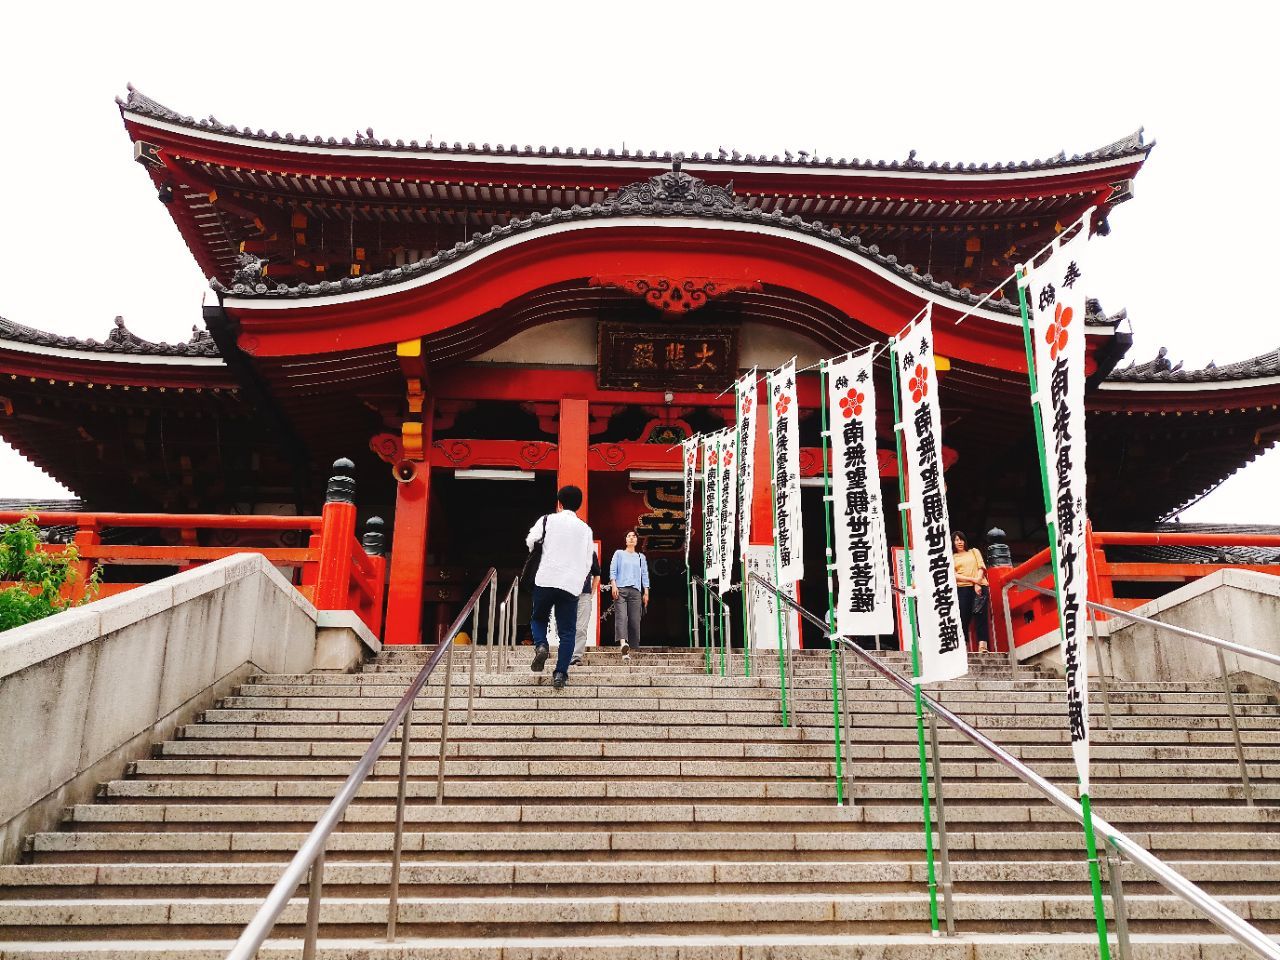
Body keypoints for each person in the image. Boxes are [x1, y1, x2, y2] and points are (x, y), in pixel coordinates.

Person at [524, 485, 594, 689]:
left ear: (560, 502)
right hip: (570, 585)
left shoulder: (547, 520)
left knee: (538, 618)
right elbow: (588, 562)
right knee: (567, 631)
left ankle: (541, 645)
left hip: (546, 578)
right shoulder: (585, 529)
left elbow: (531, 542)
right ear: (579, 505)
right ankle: (560, 674)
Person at [609, 530, 649, 659]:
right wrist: (613, 585)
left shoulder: (640, 557)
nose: (631, 538)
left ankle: (633, 647)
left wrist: (646, 591)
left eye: (634, 536)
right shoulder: (619, 554)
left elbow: (644, 574)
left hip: (636, 591)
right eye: (629, 536)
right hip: (621, 589)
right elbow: (613, 570)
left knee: (634, 619)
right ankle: (623, 644)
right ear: (626, 540)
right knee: (621, 616)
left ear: (637, 540)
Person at [952, 530, 990, 653]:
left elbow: (981, 566)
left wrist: (977, 582)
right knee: (963, 617)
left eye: (961, 539)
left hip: (980, 586)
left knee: (981, 616)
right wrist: (973, 580)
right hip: (962, 588)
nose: (959, 542)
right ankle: (963, 647)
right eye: (956, 540)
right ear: (952, 543)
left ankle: (983, 646)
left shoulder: (974, 551)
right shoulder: (952, 557)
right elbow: (954, 575)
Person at [571, 547, 601, 666]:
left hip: (584, 595)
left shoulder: (590, 552)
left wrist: (591, 593)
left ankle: (576, 656)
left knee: (581, 627)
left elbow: (597, 574)